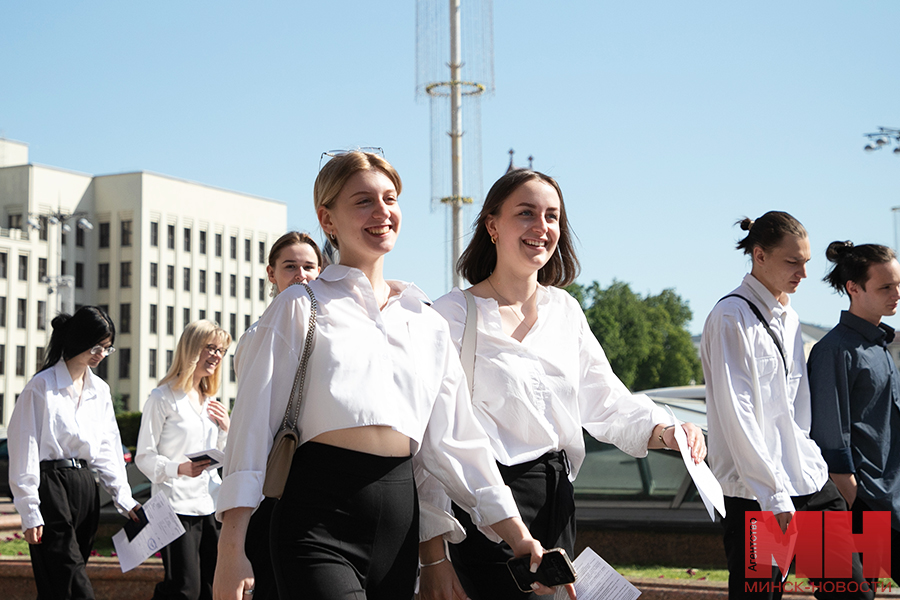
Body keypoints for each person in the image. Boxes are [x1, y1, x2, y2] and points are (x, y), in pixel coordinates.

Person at [213, 150, 558, 600]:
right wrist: (231, 548)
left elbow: (459, 445)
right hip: (315, 520)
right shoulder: (300, 306)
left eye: (390, 199)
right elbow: (251, 429)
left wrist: (519, 537)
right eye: (363, 201)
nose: (382, 212)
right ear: (327, 218)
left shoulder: (426, 320)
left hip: (398, 529)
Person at [417, 168, 707, 600]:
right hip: (485, 507)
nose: (542, 227)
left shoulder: (565, 311)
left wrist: (667, 431)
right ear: (492, 225)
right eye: (526, 213)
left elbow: (606, 401)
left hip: (558, 502)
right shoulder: (450, 315)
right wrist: (434, 558)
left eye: (552, 216)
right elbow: (434, 444)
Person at [700, 212, 871, 599]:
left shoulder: (790, 317)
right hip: (756, 493)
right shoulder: (731, 316)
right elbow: (736, 414)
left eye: (806, 262)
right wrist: (773, 497)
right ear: (759, 255)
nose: (804, 274)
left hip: (807, 478)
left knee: (853, 593)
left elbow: (797, 409)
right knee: (759, 597)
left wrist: (817, 464)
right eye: (793, 262)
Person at [8, 306, 140, 600]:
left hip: (85, 487)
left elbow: (108, 448)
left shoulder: (101, 391)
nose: (101, 355)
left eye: (107, 348)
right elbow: (24, 448)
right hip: (51, 485)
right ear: (77, 340)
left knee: (62, 581)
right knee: (71, 578)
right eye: (96, 347)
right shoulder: (41, 387)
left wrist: (123, 497)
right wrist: (30, 511)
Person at [236, 231, 323, 600]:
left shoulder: (331, 327)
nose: (301, 276)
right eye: (290, 267)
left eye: (309, 267)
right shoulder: (259, 333)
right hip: (278, 474)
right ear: (271, 274)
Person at [809, 241, 900, 584]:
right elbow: (831, 433)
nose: (897, 294)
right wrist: (848, 500)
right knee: (856, 594)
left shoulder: (878, 345)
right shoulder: (834, 350)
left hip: (888, 496)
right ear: (854, 288)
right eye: (886, 287)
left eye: (898, 285)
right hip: (862, 501)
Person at [136, 320, 232, 600]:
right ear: (191, 349)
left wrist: (227, 429)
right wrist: (179, 468)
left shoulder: (211, 400)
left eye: (221, 350)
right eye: (210, 347)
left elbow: (221, 455)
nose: (216, 355)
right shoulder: (162, 398)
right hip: (174, 507)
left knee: (211, 588)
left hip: (210, 504)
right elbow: (144, 456)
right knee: (184, 589)